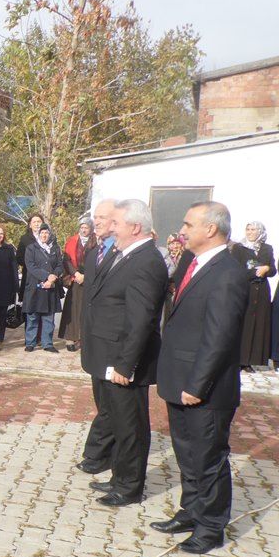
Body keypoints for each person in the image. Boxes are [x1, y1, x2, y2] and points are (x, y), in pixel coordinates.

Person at [152, 201, 250, 554]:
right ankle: (190, 511)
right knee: (186, 454)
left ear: (211, 229)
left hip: (205, 388)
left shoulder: (227, 272)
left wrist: (197, 384)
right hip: (180, 379)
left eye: (188, 224)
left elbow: (219, 337)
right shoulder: (192, 263)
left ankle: (210, 528)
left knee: (208, 459)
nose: (182, 230)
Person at [80, 199, 168, 507]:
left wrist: (125, 364)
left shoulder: (147, 261)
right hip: (108, 355)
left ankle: (129, 487)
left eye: (116, 223)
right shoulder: (125, 255)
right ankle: (119, 476)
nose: (110, 228)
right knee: (118, 421)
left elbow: (141, 320)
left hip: (123, 360)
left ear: (135, 226)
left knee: (130, 426)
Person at [77, 199, 118, 475]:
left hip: (114, 342)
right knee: (102, 400)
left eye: (102, 217)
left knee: (113, 404)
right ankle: (103, 452)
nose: (96, 222)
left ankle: (99, 453)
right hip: (94, 339)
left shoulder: (124, 254)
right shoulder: (94, 254)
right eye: (95, 218)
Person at [230, 222, 276, 371]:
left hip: (261, 291)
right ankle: (239, 359)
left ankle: (249, 360)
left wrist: (266, 268)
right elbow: (235, 268)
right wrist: (255, 271)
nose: (250, 232)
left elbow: (273, 270)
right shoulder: (239, 248)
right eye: (248, 229)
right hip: (246, 288)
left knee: (257, 324)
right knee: (244, 322)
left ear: (260, 231)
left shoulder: (267, 248)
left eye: (253, 229)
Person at [21, 224, 63, 352]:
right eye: (42, 233)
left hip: (51, 287)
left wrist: (53, 277)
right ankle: (30, 343)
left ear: (49, 234)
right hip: (35, 286)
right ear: (38, 234)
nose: (44, 235)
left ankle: (47, 343)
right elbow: (31, 266)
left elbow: (60, 265)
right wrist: (46, 276)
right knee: (33, 316)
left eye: (46, 233)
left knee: (48, 317)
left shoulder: (55, 248)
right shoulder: (31, 248)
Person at [58, 216, 96, 352]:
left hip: (90, 279)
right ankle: (71, 337)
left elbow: (99, 261)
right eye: (82, 227)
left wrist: (87, 276)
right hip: (75, 278)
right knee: (72, 309)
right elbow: (66, 260)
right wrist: (76, 274)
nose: (83, 230)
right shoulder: (72, 241)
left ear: (91, 229)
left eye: (86, 227)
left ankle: (83, 338)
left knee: (86, 309)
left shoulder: (96, 241)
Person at [17, 213, 44, 302]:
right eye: (34, 222)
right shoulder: (25, 239)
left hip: (45, 275)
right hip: (29, 275)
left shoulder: (49, 238)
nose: (36, 224)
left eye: (39, 222)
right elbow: (19, 258)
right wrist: (31, 264)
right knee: (29, 304)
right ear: (30, 225)